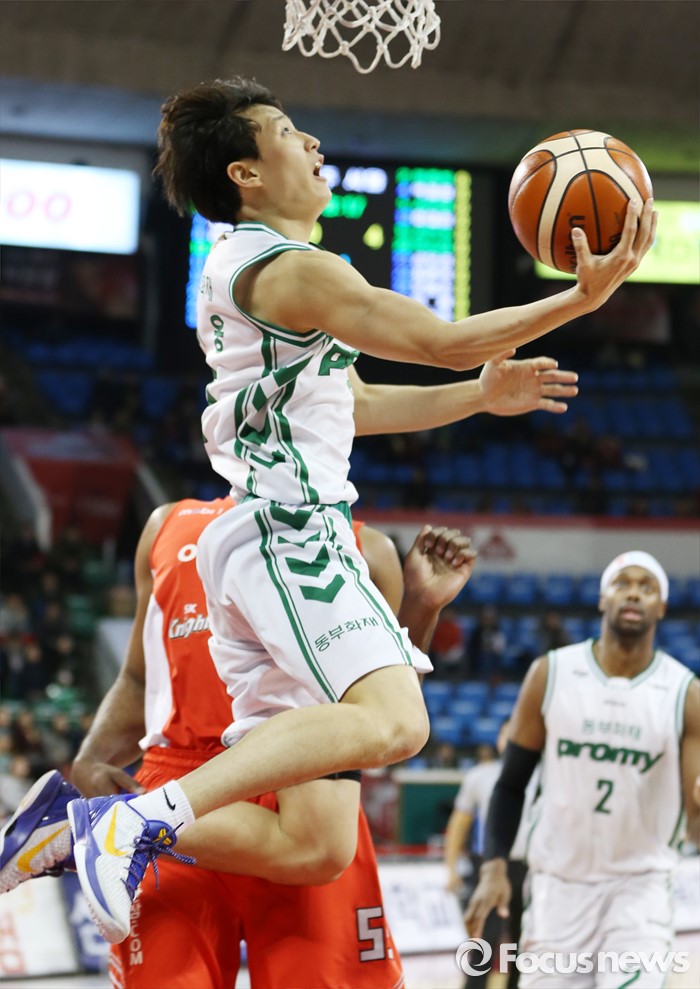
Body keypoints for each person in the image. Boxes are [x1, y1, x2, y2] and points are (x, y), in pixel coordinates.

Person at [6, 76, 656, 944]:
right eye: (287, 131)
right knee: (401, 720)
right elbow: (439, 340)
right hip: (293, 533)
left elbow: (356, 403)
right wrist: (582, 298)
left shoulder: (244, 268)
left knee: (314, 842)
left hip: (257, 539)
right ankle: (135, 822)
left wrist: (478, 395)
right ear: (245, 173)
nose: (312, 143)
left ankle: (81, 819)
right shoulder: (291, 270)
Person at [1, 499, 474, 989]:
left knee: (320, 865)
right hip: (192, 783)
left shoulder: (367, 549)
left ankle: (94, 818)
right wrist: (91, 758)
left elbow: (383, 706)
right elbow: (140, 678)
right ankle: (106, 818)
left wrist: (421, 605)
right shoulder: (166, 527)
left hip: (296, 783)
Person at [465, 551, 700, 988]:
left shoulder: (685, 694)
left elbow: (695, 821)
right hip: (557, 887)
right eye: (622, 583)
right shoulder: (551, 673)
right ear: (602, 598)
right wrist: (494, 867)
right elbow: (511, 784)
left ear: (662, 607)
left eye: (647, 586)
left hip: (639, 889)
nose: (634, 593)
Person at [445, 719, 533, 989]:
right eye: (507, 734)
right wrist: (451, 869)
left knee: (525, 940)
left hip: (531, 865)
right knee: (484, 937)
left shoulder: (545, 775)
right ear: (499, 740)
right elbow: (459, 825)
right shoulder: (480, 775)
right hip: (491, 864)